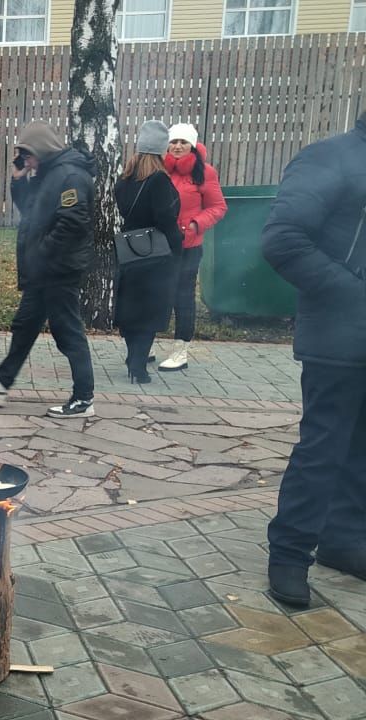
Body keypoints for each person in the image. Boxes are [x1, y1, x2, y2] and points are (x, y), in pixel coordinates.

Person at [264, 112, 366, 608]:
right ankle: (288, 554)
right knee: (324, 448)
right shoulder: (331, 158)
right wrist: (356, 299)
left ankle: (345, 543)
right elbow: (283, 241)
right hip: (339, 340)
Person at [0, 121, 97, 418]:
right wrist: (18, 179)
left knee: (68, 333)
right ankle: (1, 385)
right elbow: (30, 211)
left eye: (27, 154)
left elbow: (72, 224)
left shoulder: (71, 175)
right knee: (25, 326)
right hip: (43, 271)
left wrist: (42, 251)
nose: (26, 161)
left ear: (42, 149)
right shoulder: (48, 173)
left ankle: (84, 398)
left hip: (59, 270)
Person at [113, 121, 183, 384]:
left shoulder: (124, 181)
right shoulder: (159, 181)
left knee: (131, 310)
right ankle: (139, 366)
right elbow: (166, 219)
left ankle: (133, 357)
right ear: (161, 151)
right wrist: (179, 246)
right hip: (156, 255)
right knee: (151, 312)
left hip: (129, 253)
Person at [158, 122, 227, 371]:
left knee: (183, 296)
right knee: (156, 294)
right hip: (161, 244)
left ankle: (180, 351)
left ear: (192, 145)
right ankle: (143, 345)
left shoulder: (204, 172)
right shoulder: (161, 170)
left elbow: (218, 207)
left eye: (182, 142)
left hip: (189, 245)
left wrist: (196, 224)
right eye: (173, 142)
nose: (177, 147)